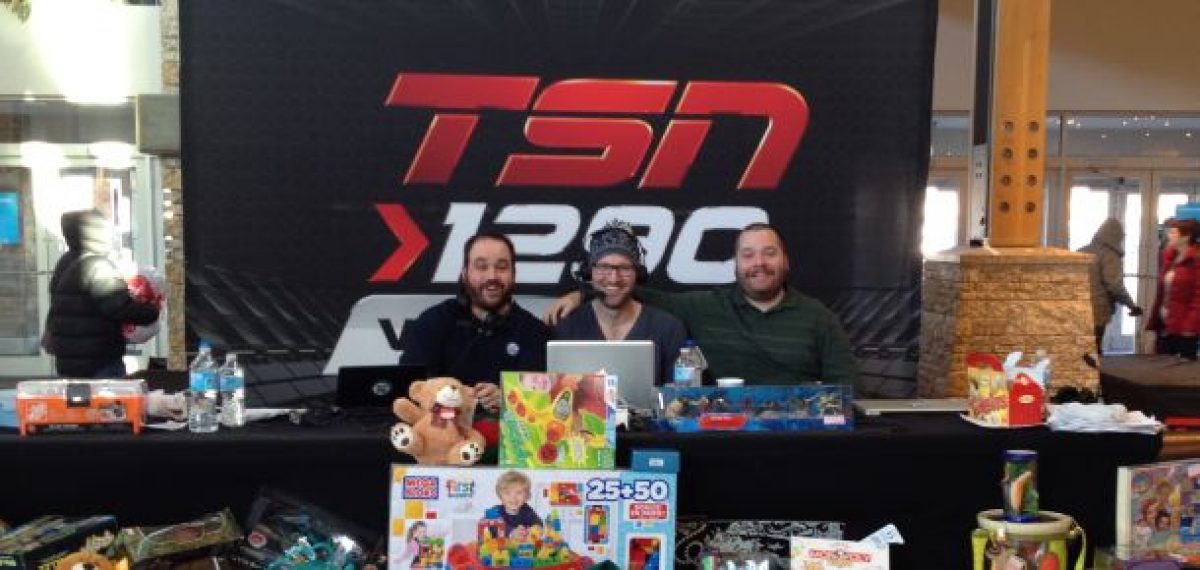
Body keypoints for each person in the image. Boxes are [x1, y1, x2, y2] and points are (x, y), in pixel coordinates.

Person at [547, 223, 855, 385]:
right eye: (748, 255)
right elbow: (623, 291)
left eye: (769, 253)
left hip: (799, 435)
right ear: (736, 263)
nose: (758, 263)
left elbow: (846, 386)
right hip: (727, 433)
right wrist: (583, 293)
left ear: (786, 260)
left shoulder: (818, 317)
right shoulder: (706, 307)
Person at [400, 233, 550, 411]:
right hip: (446, 427)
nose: (492, 276)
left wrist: (509, 400)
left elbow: (547, 405)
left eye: (502, 267)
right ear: (465, 273)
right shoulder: (433, 322)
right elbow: (411, 389)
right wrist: (459, 398)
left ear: (513, 274)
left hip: (506, 429)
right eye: (481, 267)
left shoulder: (535, 333)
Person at [553, 220, 686, 386]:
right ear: (589, 272)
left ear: (638, 273)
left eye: (624, 268)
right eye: (604, 267)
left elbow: (680, 394)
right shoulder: (566, 325)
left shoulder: (668, 328)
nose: (614, 279)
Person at [44, 209, 160, 378]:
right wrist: (152, 310)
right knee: (108, 396)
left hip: (70, 358)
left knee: (79, 395)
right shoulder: (98, 266)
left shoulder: (67, 261)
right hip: (98, 360)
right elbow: (120, 308)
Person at [1078, 218, 1143, 354]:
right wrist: (1132, 305)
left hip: (1077, 308)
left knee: (1081, 351)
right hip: (1097, 309)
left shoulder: (1081, 251)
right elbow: (1114, 285)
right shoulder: (1110, 256)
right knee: (1094, 350)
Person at [1147, 218, 1200, 360]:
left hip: (1185, 328)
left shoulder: (1196, 259)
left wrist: (1190, 327)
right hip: (1165, 323)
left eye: (1173, 232)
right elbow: (1162, 293)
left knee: (1182, 369)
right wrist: (1155, 321)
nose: (1169, 235)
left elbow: (1198, 297)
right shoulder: (1169, 257)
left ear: (1186, 237)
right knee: (1161, 365)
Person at [486, 470, 542, 539]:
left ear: (526, 495)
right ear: (500, 495)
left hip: (522, 545)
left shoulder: (526, 509)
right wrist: (512, 532)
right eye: (507, 493)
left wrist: (536, 528)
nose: (513, 497)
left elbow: (537, 521)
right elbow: (495, 527)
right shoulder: (495, 511)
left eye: (519, 492)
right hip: (499, 544)